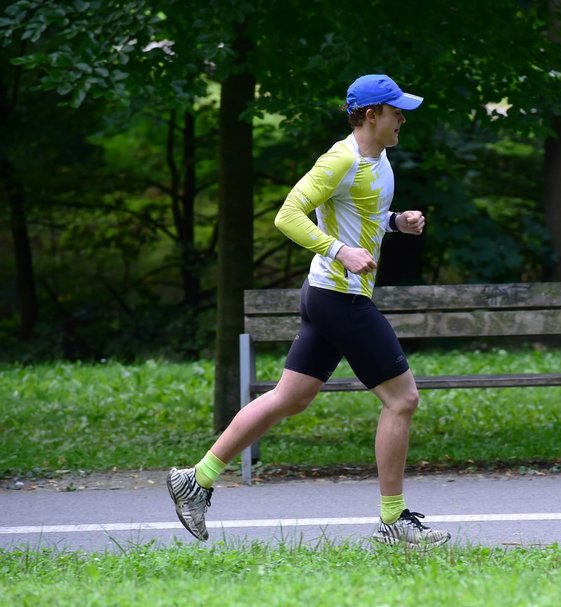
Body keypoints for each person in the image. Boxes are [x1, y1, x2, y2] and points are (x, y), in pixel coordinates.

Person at [166, 74, 449, 549]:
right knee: (403, 400)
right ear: (370, 115)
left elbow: (361, 214)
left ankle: (197, 478)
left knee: (290, 398)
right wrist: (340, 251)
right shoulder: (340, 159)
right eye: (395, 110)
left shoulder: (378, 159)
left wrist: (397, 222)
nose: (403, 117)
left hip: (326, 294)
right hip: (339, 295)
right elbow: (288, 215)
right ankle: (393, 519)